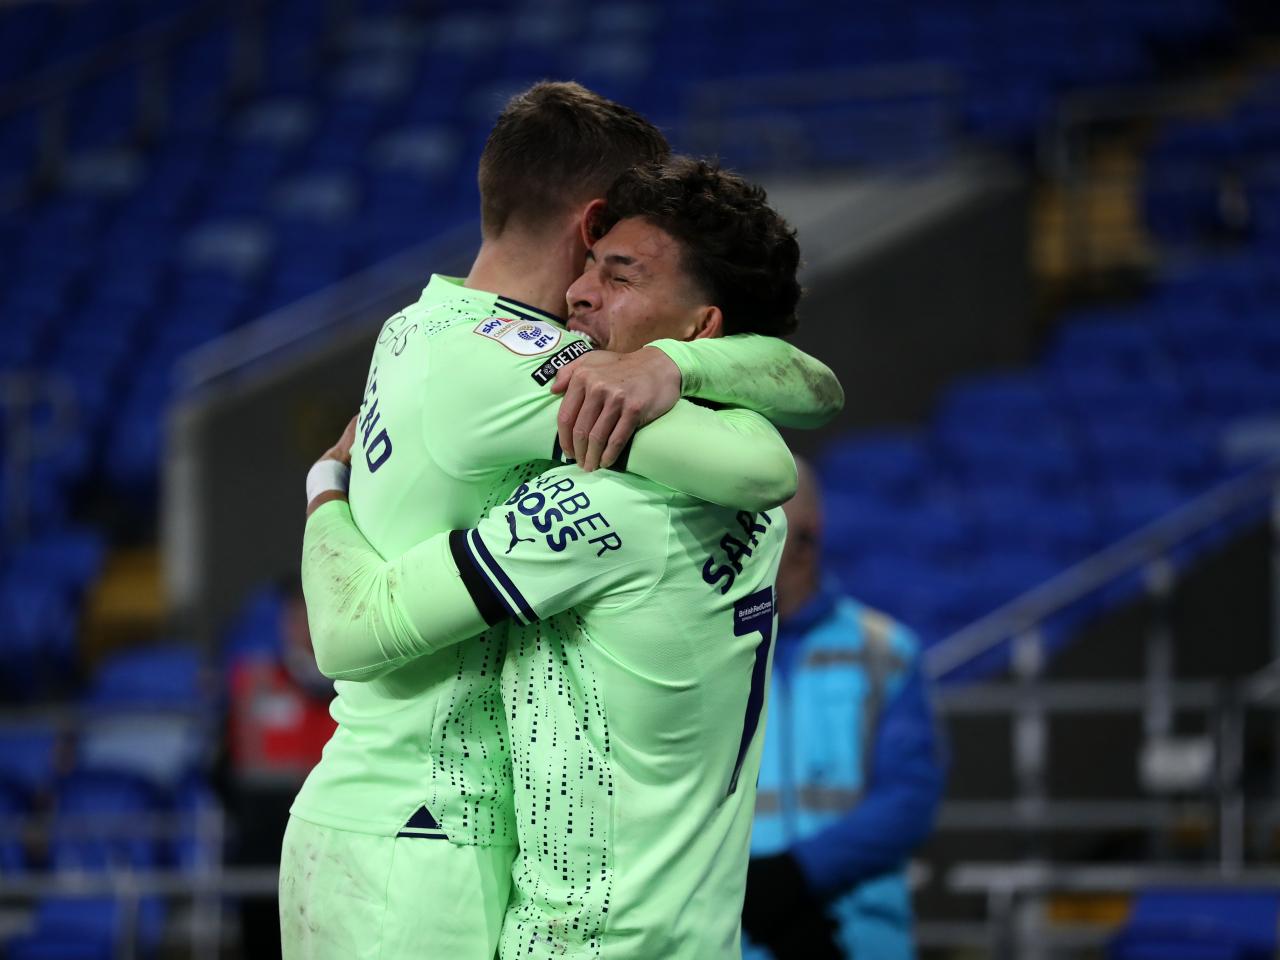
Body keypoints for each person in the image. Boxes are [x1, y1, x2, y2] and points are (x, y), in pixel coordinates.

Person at [280, 83, 843, 959]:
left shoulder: (417, 327)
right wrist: (681, 364)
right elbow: (769, 456)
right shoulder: (536, 376)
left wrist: (325, 484)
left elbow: (789, 423)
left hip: (396, 834)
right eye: (604, 258)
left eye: (622, 275)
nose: (587, 292)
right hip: (423, 840)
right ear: (589, 225)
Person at [741, 460, 946, 960]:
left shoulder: (886, 648)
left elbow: (908, 799)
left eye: (759, 513)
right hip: (736, 937)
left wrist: (796, 874)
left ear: (808, 534)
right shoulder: (707, 655)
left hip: (860, 939)